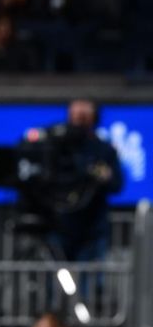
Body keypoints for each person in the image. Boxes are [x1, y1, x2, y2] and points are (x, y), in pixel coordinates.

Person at [44, 99, 123, 262]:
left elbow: (117, 184)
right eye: (75, 116)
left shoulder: (103, 149)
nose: (79, 122)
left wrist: (103, 176)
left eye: (84, 117)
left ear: (94, 119)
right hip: (58, 226)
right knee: (58, 282)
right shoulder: (55, 146)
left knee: (90, 284)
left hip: (92, 229)